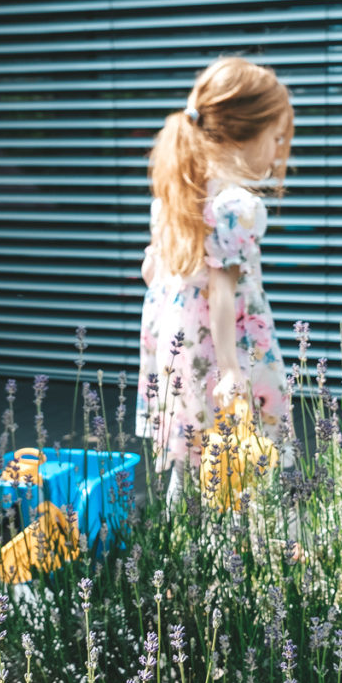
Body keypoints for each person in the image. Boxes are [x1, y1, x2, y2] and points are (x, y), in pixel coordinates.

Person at [135, 56, 294, 488]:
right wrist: (229, 370)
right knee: (243, 458)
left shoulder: (178, 195)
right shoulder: (238, 206)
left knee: (191, 461)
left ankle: (179, 550)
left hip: (180, 351)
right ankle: (245, 550)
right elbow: (223, 292)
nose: (279, 151)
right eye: (276, 138)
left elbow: (153, 273)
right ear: (246, 135)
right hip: (228, 349)